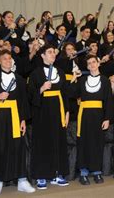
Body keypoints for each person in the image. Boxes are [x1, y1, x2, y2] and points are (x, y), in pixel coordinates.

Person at [0, 50, 35, 195]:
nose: (8, 61)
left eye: (10, 58)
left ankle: (22, 180)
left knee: (19, 147)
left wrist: (23, 119)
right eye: (4, 59)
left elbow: (23, 101)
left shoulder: (19, 79)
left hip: (16, 116)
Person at [27, 45, 70, 189]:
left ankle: (57, 173)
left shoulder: (61, 72)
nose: (52, 54)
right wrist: (41, 89)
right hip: (42, 112)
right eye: (49, 52)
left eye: (53, 52)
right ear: (42, 56)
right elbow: (30, 95)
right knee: (42, 142)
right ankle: (41, 175)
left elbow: (65, 93)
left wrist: (67, 112)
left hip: (58, 110)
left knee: (58, 141)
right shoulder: (35, 73)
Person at [71, 54, 113, 185]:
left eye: (93, 62)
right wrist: (73, 78)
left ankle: (96, 171)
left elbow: (109, 101)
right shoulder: (82, 80)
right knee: (83, 143)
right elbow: (71, 94)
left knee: (97, 143)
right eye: (89, 63)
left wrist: (107, 119)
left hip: (99, 116)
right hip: (84, 116)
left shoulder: (105, 80)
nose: (91, 65)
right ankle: (83, 172)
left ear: (98, 63)